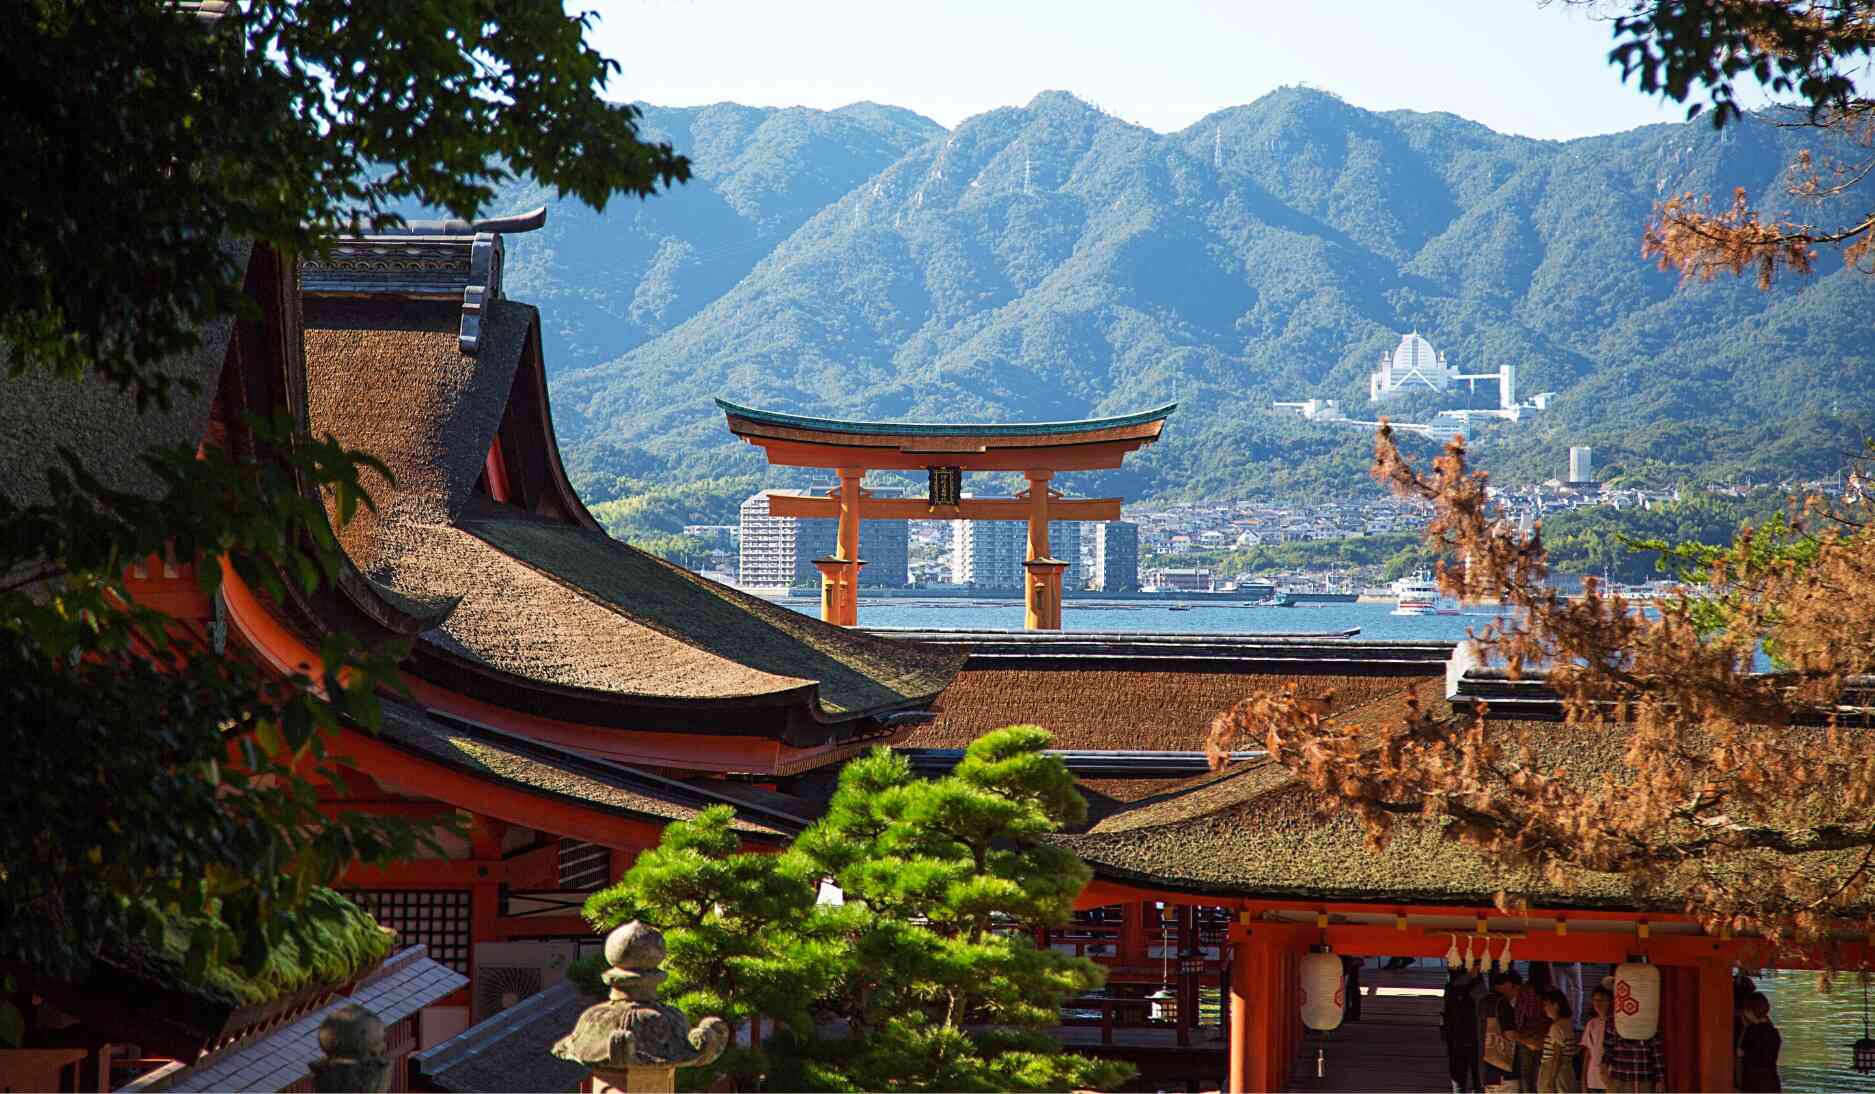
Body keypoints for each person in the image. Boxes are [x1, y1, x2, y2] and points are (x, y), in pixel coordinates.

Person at [1443, 968, 1484, 1093]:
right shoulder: (1476, 987)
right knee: (1478, 1078)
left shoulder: (1450, 988)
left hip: (1456, 1038)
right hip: (1474, 1037)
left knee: (1459, 1078)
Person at [1482, 969, 1523, 1091]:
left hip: (1484, 1066)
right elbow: (1509, 1034)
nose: (1516, 994)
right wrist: (1527, 1040)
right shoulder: (1503, 1003)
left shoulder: (1482, 1000)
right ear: (1508, 985)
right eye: (1516, 989)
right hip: (1503, 1069)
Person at [1535, 988, 1579, 1093]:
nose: (1544, 1008)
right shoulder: (1567, 1023)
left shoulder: (1556, 1027)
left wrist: (1550, 1080)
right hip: (1567, 1072)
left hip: (1554, 1072)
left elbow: (1556, 1056)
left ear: (1556, 1005)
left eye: (1546, 1004)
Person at [1737, 990, 1782, 1092]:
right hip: (1772, 1080)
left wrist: (1745, 1028)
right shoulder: (1774, 1032)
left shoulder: (1751, 1030)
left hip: (1753, 1082)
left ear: (1750, 1012)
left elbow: (1739, 1052)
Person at [1603, 1022, 1666, 1093]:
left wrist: (1660, 1079)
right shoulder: (1614, 1019)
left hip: (1643, 1080)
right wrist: (1603, 1068)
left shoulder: (1649, 1018)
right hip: (1618, 1079)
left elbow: (1656, 1051)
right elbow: (1607, 1049)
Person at [1579, 985, 1614, 1093]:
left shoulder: (1616, 1023)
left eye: (1602, 1000)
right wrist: (1583, 1080)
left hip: (1610, 1077)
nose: (1597, 1003)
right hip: (1592, 1078)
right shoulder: (1592, 1023)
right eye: (1595, 1000)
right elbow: (1588, 1053)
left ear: (1610, 1002)